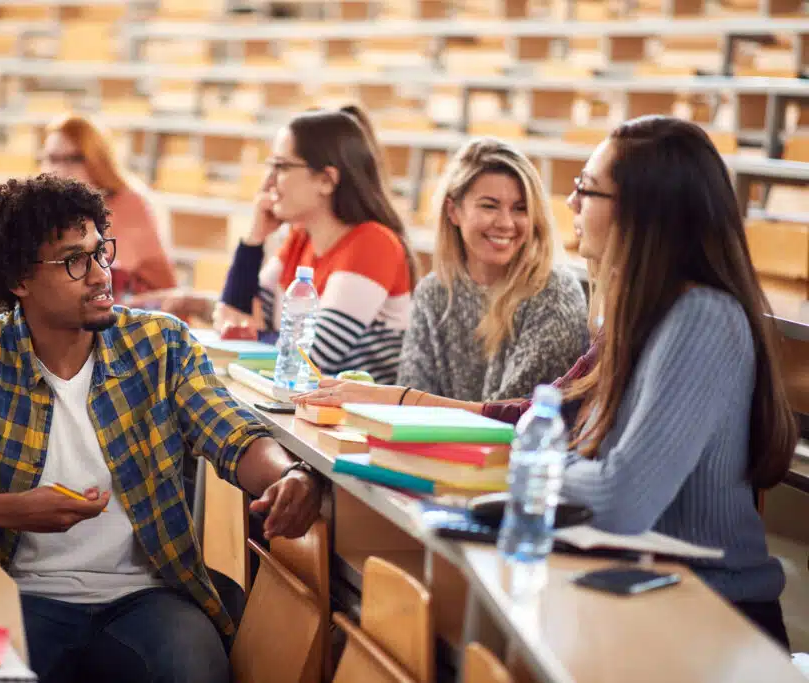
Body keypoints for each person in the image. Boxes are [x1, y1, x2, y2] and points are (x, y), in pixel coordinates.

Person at [298, 116, 797, 649]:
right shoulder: (637, 314)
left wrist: (519, 462)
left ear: (641, 209)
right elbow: (543, 420)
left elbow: (621, 498)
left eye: (587, 188)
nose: (571, 203)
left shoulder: (701, 318)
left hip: (708, 614)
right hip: (628, 587)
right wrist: (408, 407)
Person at [0, 174, 324, 683]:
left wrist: (286, 475)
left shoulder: (160, 345)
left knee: (194, 668)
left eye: (100, 253)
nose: (99, 275)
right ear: (19, 280)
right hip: (18, 592)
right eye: (74, 261)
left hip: (146, 598)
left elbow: (234, 435)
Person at [209, 106, 417, 384]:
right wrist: (254, 239)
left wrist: (256, 335)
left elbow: (310, 359)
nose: (268, 182)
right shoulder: (300, 238)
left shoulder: (373, 243)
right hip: (300, 400)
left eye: (281, 167)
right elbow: (231, 319)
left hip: (353, 410)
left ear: (326, 180)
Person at [397, 137, 587, 402]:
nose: (506, 223)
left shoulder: (555, 292)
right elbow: (409, 400)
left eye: (520, 209)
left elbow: (513, 415)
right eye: (489, 206)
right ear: (453, 211)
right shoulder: (434, 290)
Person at [42, 115, 177, 298]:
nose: (60, 170)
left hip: (139, 307)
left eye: (74, 159)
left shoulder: (128, 202)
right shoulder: (55, 207)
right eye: (52, 159)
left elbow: (97, 272)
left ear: (97, 160)